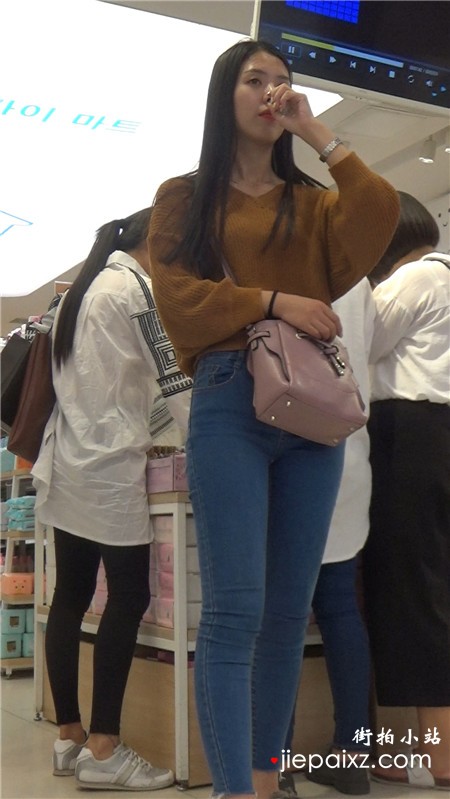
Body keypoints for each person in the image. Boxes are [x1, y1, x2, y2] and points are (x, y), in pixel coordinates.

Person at [148, 38, 400, 799]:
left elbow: (380, 215)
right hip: (229, 396)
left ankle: (265, 782)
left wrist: (317, 133)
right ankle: (236, 790)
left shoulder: (312, 203)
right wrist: (271, 300)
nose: (271, 92)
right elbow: (177, 300)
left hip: (313, 416)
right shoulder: (184, 197)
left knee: (289, 614)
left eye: (282, 81)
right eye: (254, 80)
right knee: (235, 610)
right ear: (223, 94)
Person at [32, 208, 192, 791]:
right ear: (160, 241)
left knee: (70, 596)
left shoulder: (78, 293)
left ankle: (69, 738)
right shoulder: (135, 291)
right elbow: (174, 379)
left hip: (67, 459)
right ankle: (105, 748)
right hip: (109, 464)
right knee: (129, 595)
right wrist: (210, 438)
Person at [363, 191, 450, 790]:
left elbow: (356, 345)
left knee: (414, 592)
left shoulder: (412, 279)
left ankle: (438, 756)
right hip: (439, 433)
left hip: (410, 435)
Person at [280, 279, 376, 798]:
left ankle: (275, 763)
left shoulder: (281, 265)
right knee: (340, 608)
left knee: (281, 616)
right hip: (350, 444)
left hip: (291, 445)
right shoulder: (359, 278)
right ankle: (353, 755)